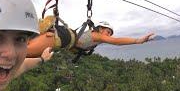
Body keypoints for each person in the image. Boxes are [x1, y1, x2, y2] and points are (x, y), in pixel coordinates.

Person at [27, 16, 155, 58]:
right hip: (59, 38)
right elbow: (116, 41)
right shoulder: (97, 35)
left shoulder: (94, 39)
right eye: (108, 32)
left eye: (110, 34)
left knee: (23, 48)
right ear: (100, 29)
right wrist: (138, 40)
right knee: (23, 52)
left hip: (61, 40)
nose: (108, 35)